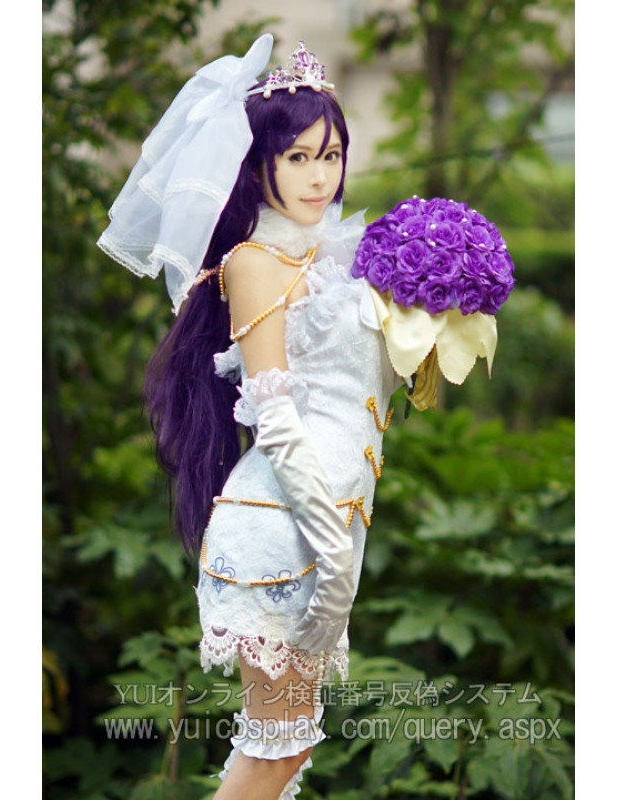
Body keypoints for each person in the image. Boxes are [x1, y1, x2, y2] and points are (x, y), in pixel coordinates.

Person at [98, 34, 404, 800]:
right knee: (278, 747)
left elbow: (360, 396)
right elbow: (275, 416)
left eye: (331, 155)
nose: (320, 175)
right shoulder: (253, 262)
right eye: (297, 157)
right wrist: (331, 548)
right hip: (285, 524)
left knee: (290, 749)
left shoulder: (332, 256)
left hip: (332, 520)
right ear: (256, 164)